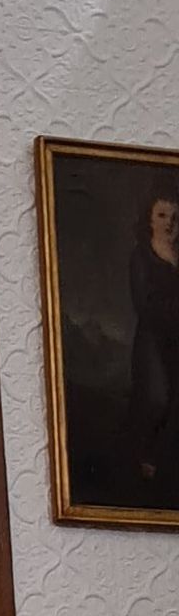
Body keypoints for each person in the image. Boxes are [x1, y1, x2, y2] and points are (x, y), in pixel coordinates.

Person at [129, 181, 179, 488]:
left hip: (178, 341)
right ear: (149, 218)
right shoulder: (141, 256)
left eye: (173, 216)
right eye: (162, 215)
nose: (169, 222)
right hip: (152, 341)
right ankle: (144, 460)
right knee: (157, 398)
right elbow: (143, 302)